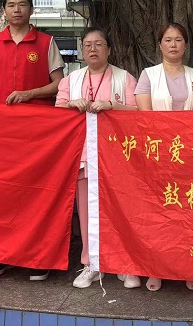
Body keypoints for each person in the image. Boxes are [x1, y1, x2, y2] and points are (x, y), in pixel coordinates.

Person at [0, 0, 65, 281]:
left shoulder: (46, 42)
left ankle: (38, 257)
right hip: (1, 131)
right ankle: (2, 254)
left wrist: (29, 94)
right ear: (4, 10)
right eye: (11, 4)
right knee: (2, 190)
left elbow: (59, 84)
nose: (17, 9)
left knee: (36, 191)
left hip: (37, 130)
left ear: (31, 9)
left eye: (22, 4)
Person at [55, 27, 139, 289]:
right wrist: (71, 104)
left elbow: (138, 112)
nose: (93, 49)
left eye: (99, 44)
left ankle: (125, 263)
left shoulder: (124, 78)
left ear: (109, 50)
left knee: (121, 210)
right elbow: (57, 112)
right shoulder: (71, 80)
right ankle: (92, 263)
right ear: (82, 50)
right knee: (87, 212)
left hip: (118, 157)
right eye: (88, 44)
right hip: (83, 155)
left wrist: (112, 106)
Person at [135, 23, 193, 292]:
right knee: (160, 213)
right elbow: (145, 117)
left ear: (186, 45)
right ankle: (157, 269)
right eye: (168, 40)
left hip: (192, 155)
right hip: (159, 154)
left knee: (191, 211)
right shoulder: (148, 75)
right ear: (160, 45)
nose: (173, 45)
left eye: (178, 40)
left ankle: (190, 267)